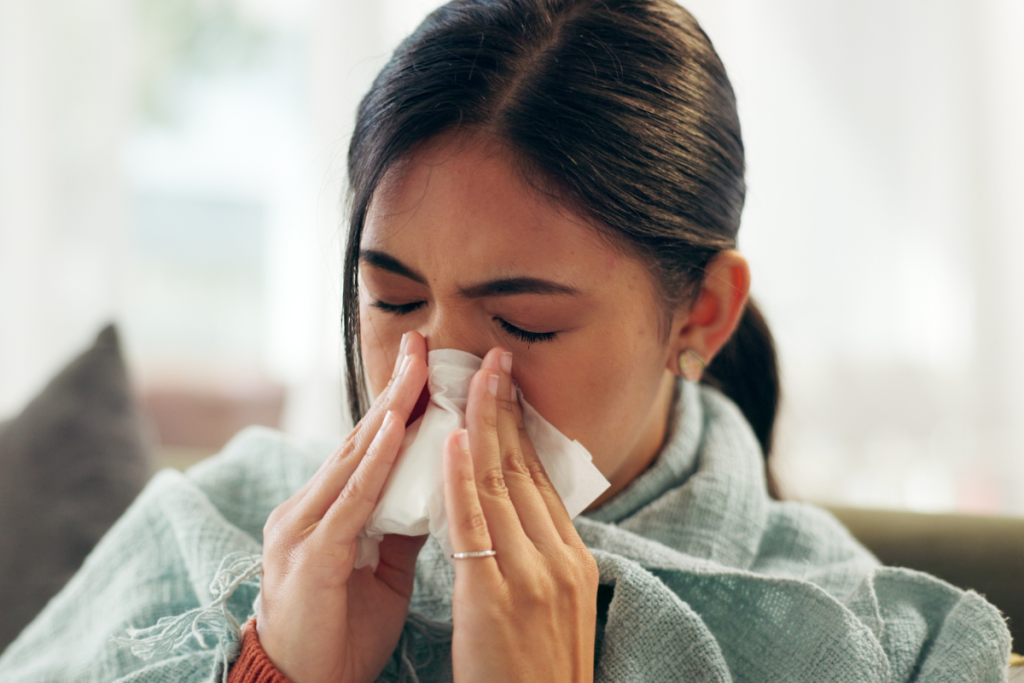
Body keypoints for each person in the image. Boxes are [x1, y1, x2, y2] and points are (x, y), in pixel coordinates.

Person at [0, 1, 1011, 682]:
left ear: (700, 313)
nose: (427, 375)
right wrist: (275, 662)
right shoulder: (222, 523)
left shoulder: (870, 641)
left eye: (524, 320)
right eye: (391, 299)